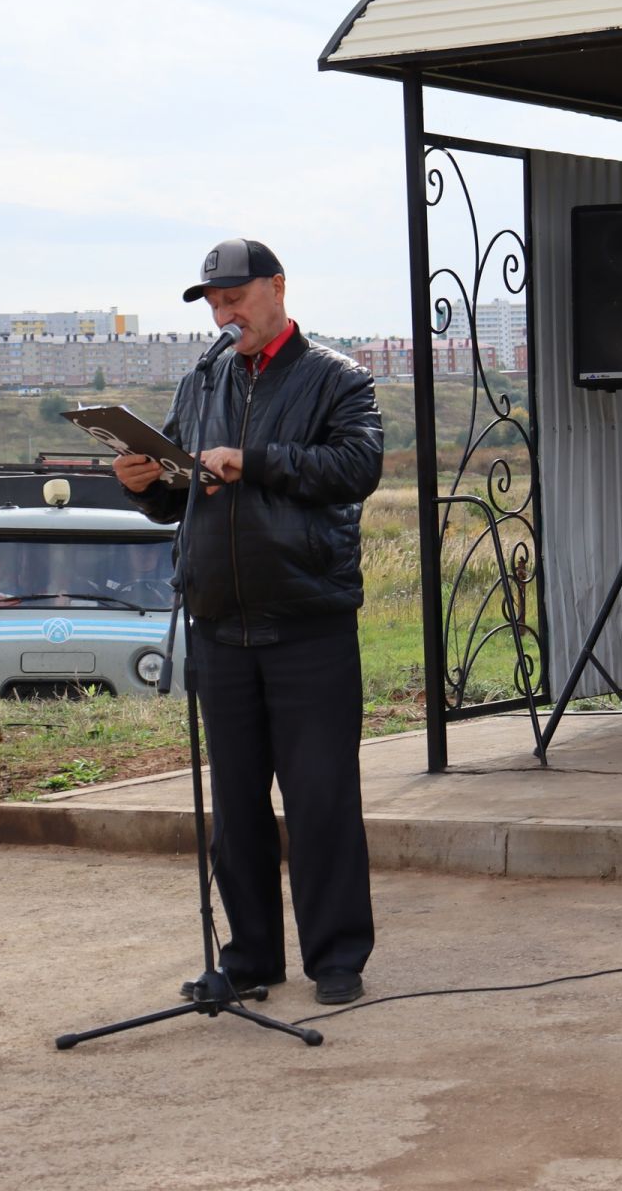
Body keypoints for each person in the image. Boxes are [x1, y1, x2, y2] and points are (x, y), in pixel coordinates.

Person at [115, 237, 383, 1006]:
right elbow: (179, 494)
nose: (225, 314)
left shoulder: (340, 379)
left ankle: (336, 959)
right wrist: (145, 482)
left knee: (320, 797)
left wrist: (254, 459)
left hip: (308, 622)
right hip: (220, 624)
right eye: (215, 303)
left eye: (236, 298)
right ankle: (250, 956)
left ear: (277, 289)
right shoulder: (203, 380)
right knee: (235, 808)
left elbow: (355, 469)